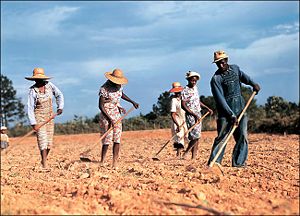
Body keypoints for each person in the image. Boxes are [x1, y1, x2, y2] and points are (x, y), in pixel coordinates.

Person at [207, 50, 261, 167]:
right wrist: (230, 115)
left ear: (226, 60)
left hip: (241, 108)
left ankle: (239, 163)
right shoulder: (216, 79)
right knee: (222, 137)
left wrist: (253, 84)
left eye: (222, 62)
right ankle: (214, 163)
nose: (221, 65)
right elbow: (220, 100)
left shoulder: (235, 69)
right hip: (225, 113)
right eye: (218, 63)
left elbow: (244, 77)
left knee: (242, 136)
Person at [98, 68, 139, 168]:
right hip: (106, 114)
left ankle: (114, 163)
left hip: (116, 114)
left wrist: (132, 102)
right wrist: (109, 119)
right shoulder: (104, 89)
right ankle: (102, 161)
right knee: (107, 138)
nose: (118, 84)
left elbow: (121, 95)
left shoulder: (119, 86)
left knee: (117, 138)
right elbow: (101, 106)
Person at [26, 68, 64, 168]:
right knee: (42, 140)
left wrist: (60, 107)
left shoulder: (49, 86)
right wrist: (33, 123)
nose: (38, 81)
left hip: (50, 117)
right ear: (34, 80)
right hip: (38, 117)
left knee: (49, 143)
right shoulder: (32, 91)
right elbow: (30, 107)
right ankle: (45, 164)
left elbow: (59, 95)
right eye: (36, 79)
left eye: (40, 79)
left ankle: (43, 160)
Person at [181, 71, 213, 159]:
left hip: (198, 113)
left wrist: (207, 108)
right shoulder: (185, 91)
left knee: (198, 136)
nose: (194, 82)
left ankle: (193, 156)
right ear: (188, 80)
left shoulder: (195, 88)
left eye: (195, 81)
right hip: (191, 115)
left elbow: (197, 101)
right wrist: (193, 114)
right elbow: (183, 105)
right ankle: (186, 153)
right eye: (192, 80)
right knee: (195, 136)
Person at [169, 82, 188, 157]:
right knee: (179, 137)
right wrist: (177, 125)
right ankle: (178, 154)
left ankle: (183, 153)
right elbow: (173, 114)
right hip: (177, 120)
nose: (177, 93)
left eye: (178, 91)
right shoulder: (174, 100)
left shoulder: (184, 97)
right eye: (175, 91)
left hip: (185, 120)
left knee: (186, 136)